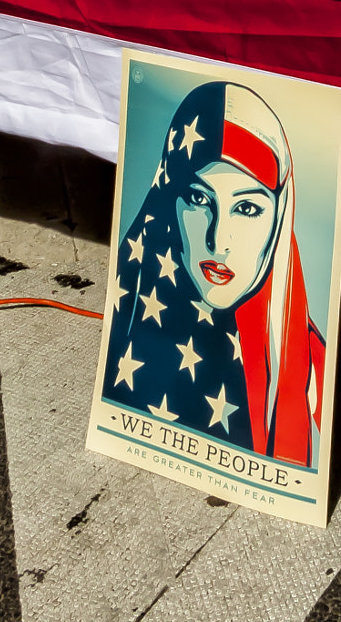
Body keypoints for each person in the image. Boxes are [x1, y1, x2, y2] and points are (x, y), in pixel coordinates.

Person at [102, 79, 325, 467]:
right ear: (170, 198)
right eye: (200, 199)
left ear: (279, 218)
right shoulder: (131, 307)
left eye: (248, 208)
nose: (218, 239)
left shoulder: (307, 364)